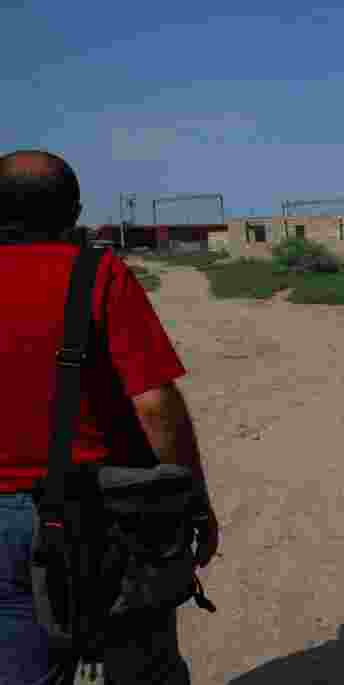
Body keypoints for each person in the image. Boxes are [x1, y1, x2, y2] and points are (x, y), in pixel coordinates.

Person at [0, 150, 220, 684]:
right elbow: (153, 404)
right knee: (138, 660)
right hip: (98, 516)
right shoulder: (98, 276)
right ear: (73, 211)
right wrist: (193, 502)